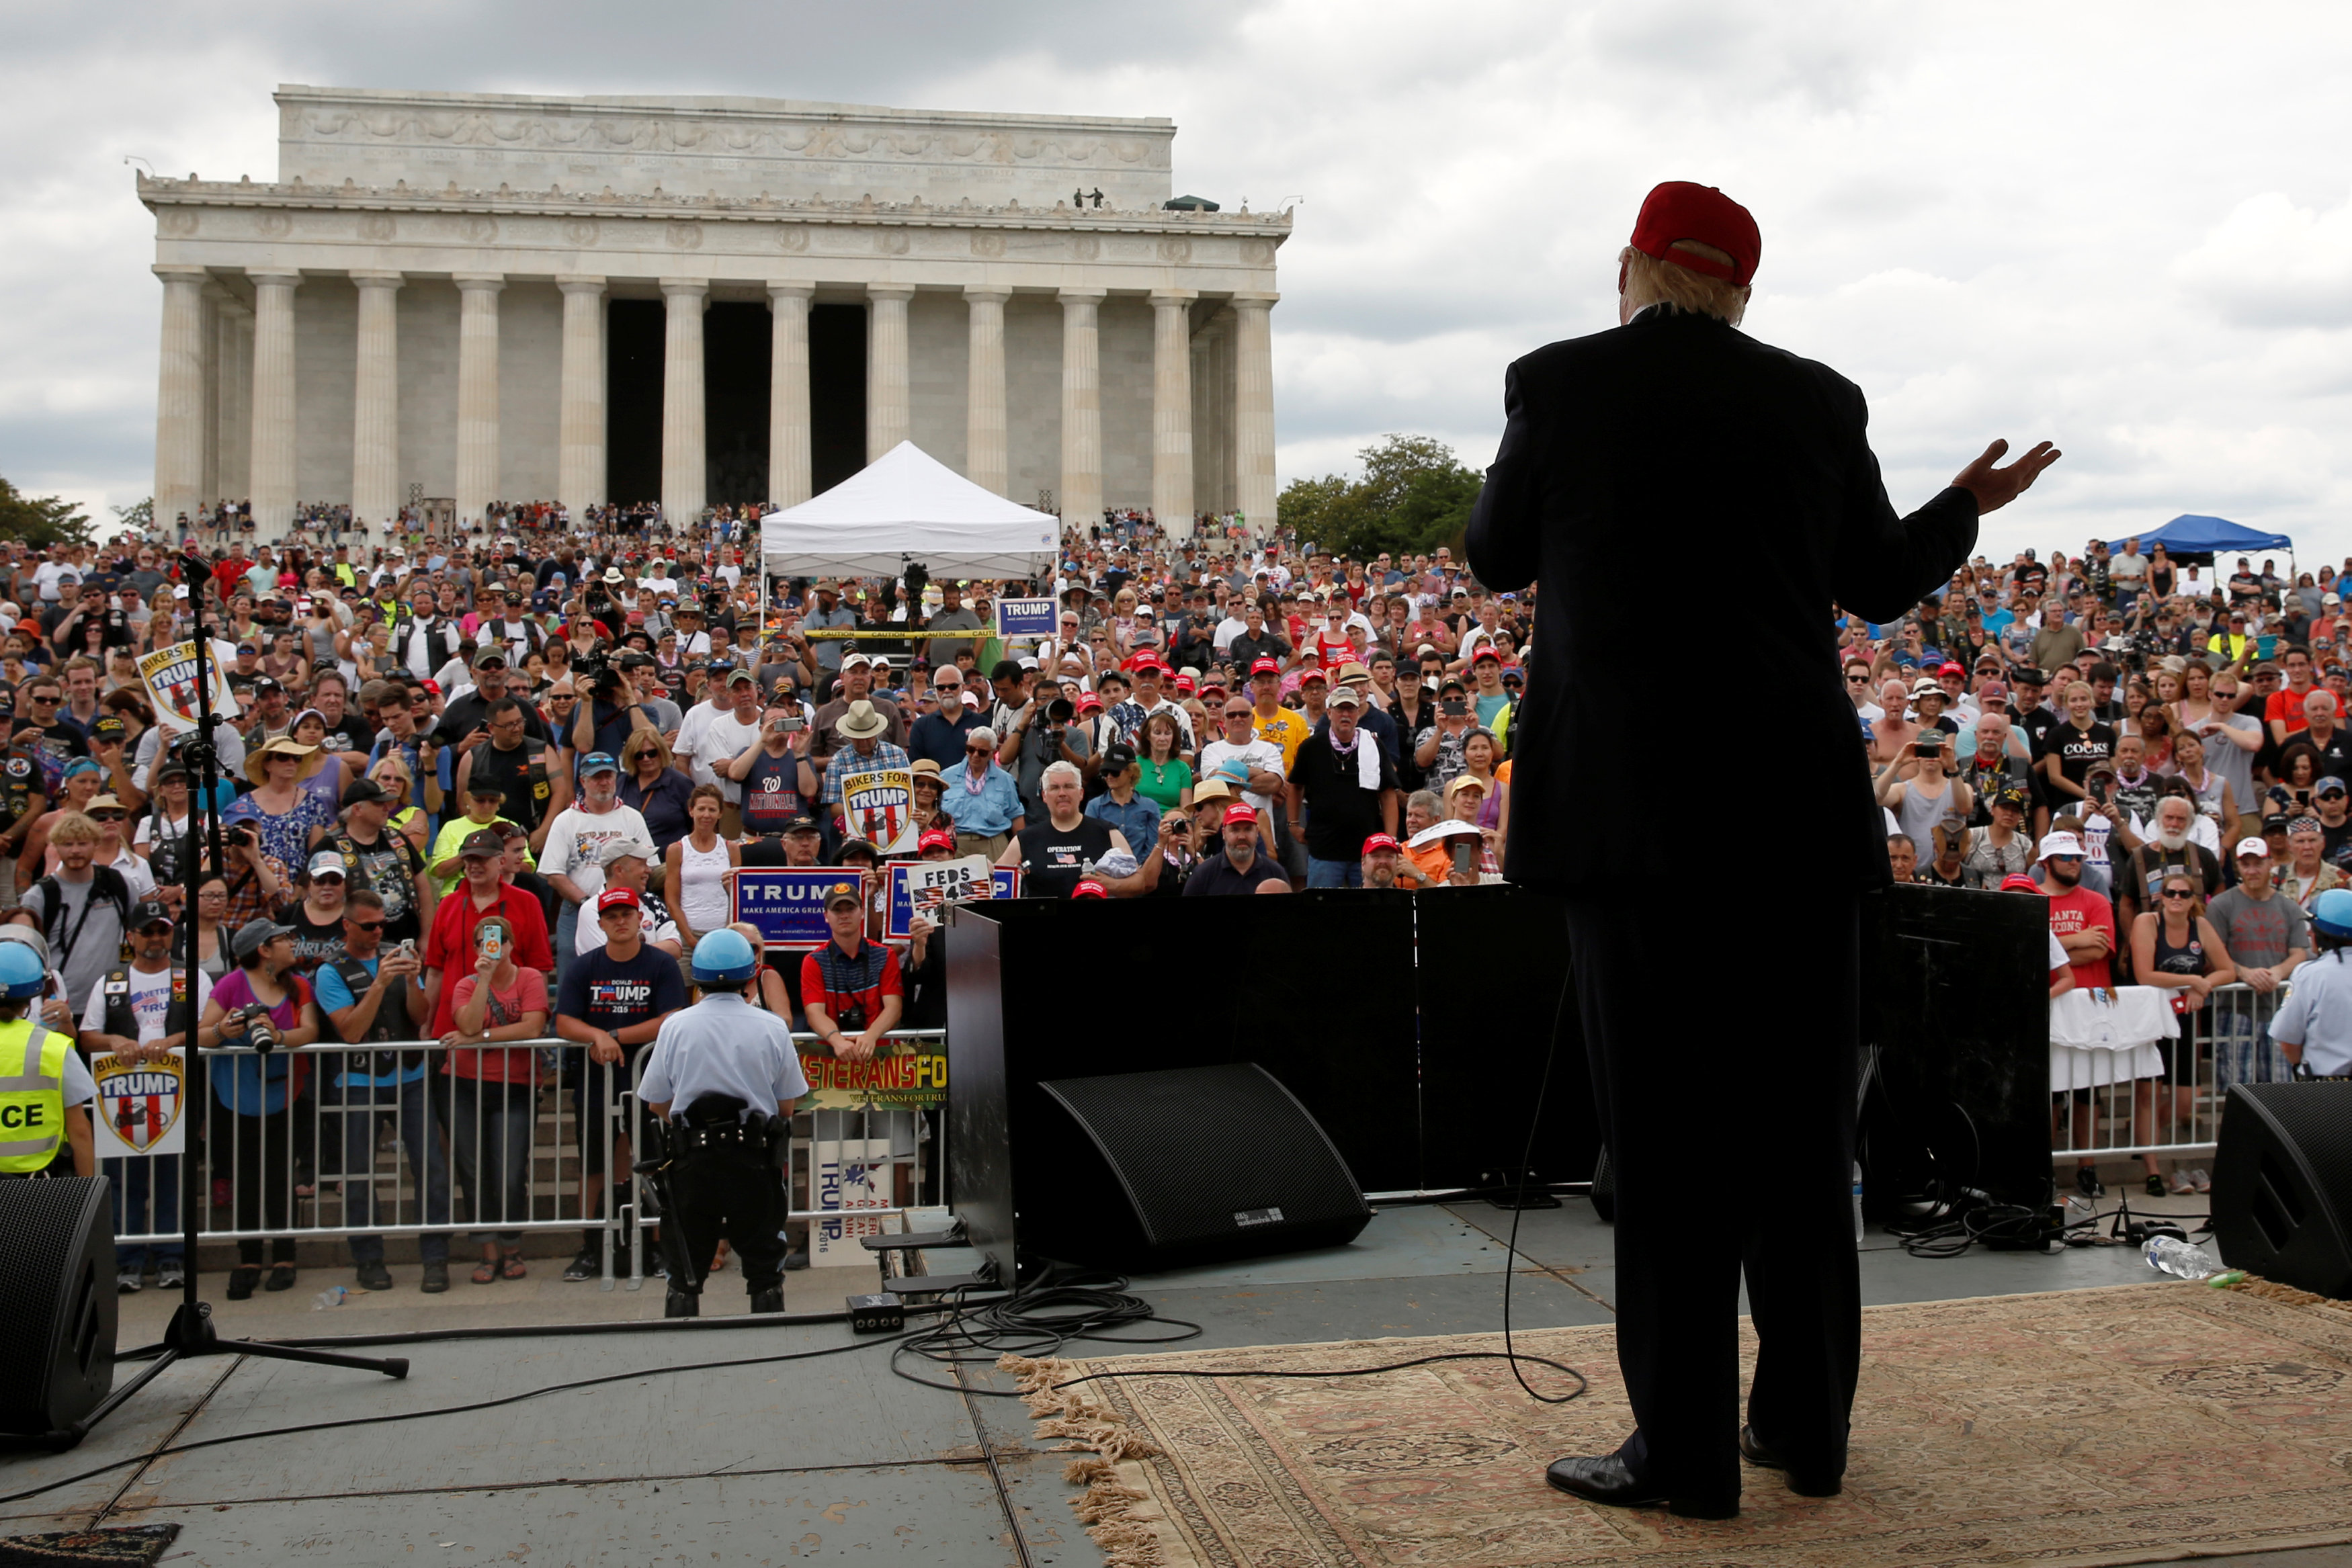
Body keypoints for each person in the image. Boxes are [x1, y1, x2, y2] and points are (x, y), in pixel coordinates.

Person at [1465, 179, 2058, 1514]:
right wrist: (1966, 502)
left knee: (1666, 1152)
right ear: (1742, 290)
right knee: (1798, 1141)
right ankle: (1803, 1431)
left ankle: (1680, 1459)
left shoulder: (1553, 385)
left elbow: (1494, 556)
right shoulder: (1816, 398)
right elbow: (1882, 580)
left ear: (1629, 268)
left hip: (1634, 836)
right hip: (1793, 826)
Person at [638, 928, 810, 1317]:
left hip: (691, 1162)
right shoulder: (772, 1027)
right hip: (753, 1159)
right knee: (765, 1269)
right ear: (752, 975)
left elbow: (657, 1102)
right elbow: (786, 1105)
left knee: (684, 1269)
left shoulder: (675, 1026)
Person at [313, 888, 447, 1293]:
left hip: (410, 1078)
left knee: (432, 1170)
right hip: (358, 1082)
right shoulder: (330, 971)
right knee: (358, 1174)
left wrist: (411, 981)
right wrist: (378, 984)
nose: (377, 933)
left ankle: (436, 1258)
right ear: (348, 925)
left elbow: (422, 1018)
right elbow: (351, 1031)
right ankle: (368, 1258)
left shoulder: (396, 955)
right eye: (369, 926)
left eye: (382, 925)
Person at [553, 885, 687, 1282]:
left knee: (657, 1165)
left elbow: (670, 1018)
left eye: (627, 914)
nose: (621, 921)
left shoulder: (660, 966)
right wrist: (597, 1037)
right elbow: (564, 1021)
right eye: (612, 917)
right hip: (597, 1083)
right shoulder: (585, 966)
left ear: (640, 919)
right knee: (594, 1167)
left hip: (650, 1083)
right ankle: (590, 1247)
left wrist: (612, 1034)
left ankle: (663, 1247)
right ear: (602, 923)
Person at [198, 917, 323, 1299]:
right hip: (235, 1096)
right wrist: (225, 1033)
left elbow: (310, 1031)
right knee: (245, 1178)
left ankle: (286, 1257)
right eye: (284, 938)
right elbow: (201, 1033)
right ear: (264, 949)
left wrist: (279, 1035)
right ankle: (248, 1258)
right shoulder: (230, 984)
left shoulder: (298, 985)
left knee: (281, 1177)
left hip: (284, 1094)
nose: (292, 943)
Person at [80, 901, 197, 1289]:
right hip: (123, 1096)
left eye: (162, 929)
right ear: (131, 936)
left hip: (174, 1095)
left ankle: (170, 1257)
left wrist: (175, 1040)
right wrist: (115, 1040)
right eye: (146, 931)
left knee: (172, 1179)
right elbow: (88, 1035)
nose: (155, 938)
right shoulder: (110, 980)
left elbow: (208, 1028)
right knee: (123, 1180)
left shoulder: (189, 976)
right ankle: (126, 1260)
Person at [439, 911, 550, 1285]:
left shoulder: (530, 977)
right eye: (484, 942)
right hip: (465, 1085)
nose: (494, 948)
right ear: (475, 949)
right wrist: (484, 979)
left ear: (510, 945)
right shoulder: (467, 984)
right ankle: (487, 1251)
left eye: (499, 941)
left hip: (515, 1086)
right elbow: (466, 1023)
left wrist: (480, 1039)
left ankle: (512, 1247)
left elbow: (533, 1026)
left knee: (510, 1171)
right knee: (473, 1172)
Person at [2205, 836, 2308, 1092]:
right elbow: (2211, 955)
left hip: (2278, 1009)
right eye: (2246, 865)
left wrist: (2277, 973)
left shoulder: (2288, 907)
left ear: (2270, 864)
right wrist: (2245, 973)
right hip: (2235, 1008)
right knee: (2237, 1089)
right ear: (2238, 867)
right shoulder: (2221, 905)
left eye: (2258, 864)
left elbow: (2300, 952)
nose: (2252, 871)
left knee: (2282, 1091)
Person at [1286, 685, 1398, 888]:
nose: (1345, 715)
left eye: (1351, 709)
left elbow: (1388, 794)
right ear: (1329, 712)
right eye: (1340, 709)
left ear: (1358, 713)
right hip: (1324, 849)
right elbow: (1294, 786)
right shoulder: (1311, 747)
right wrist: (1293, 824)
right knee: (1323, 911)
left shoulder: (1373, 745)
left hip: (1367, 849)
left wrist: (1389, 837)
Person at [0, 941, 94, 1180]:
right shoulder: (53, 1047)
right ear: (33, 996)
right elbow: (80, 1130)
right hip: (37, 1188)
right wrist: (90, 1199)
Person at [2269, 887, 2352, 1080]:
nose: (2309, 934)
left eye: (2312, 929)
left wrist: (2301, 1069)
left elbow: (2288, 1040)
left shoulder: (2310, 975)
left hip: (2328, 1089)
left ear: (2324, 935)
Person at [1183, 801, 1293, 895]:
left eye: (1248, 829)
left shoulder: (1275, 872)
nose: (1242, 836)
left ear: (1257, 832)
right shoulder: (1203, 874)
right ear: (1224, 833)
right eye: (1235, 830)